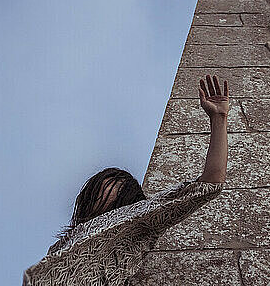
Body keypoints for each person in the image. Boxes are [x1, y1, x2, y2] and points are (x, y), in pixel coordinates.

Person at [23, 74, 230, 285]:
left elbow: (209, 184)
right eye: (101, 185)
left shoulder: (139, 216)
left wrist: (219, 119)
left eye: (113, 185)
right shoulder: (63, 244)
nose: (104, 190)